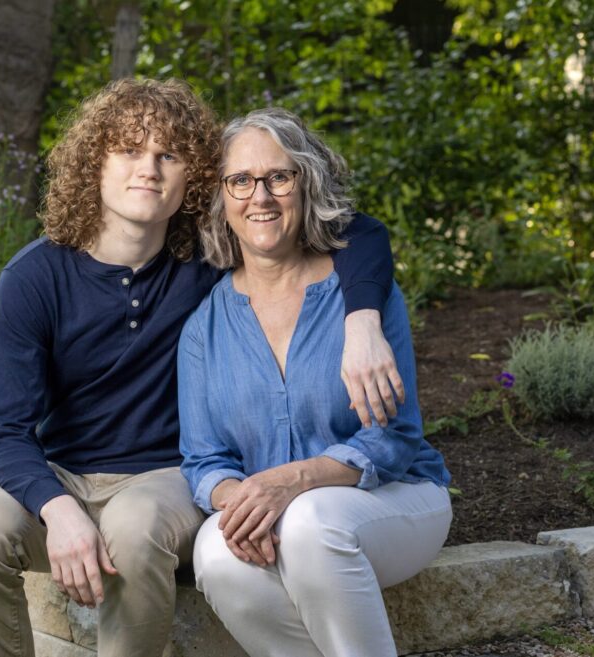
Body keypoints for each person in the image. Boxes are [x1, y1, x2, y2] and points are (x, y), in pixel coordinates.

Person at [0, 80, 402, 657]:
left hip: (167, 479)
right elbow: (5, 433)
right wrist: (58, 511)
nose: (150, 169)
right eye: (130, 151)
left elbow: (360, 232)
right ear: (95, 164)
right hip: (62, 474)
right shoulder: (33, 279)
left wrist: (362, 322)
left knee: (135, 532)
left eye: (169, 155)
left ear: (193, 177)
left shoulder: (209, 258)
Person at [178, 107, 453, 657]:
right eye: (241, 181)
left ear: (306, 184)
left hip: (393, 499)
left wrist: (293, 482)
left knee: (309, 521)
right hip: (280, 516)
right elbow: (203, 461)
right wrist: (245, 502)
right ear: (221, 201)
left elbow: (392, 439)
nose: (261, 196)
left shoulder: (362, 301)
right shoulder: (203, 327)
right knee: (213, 547)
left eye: (279, 176)